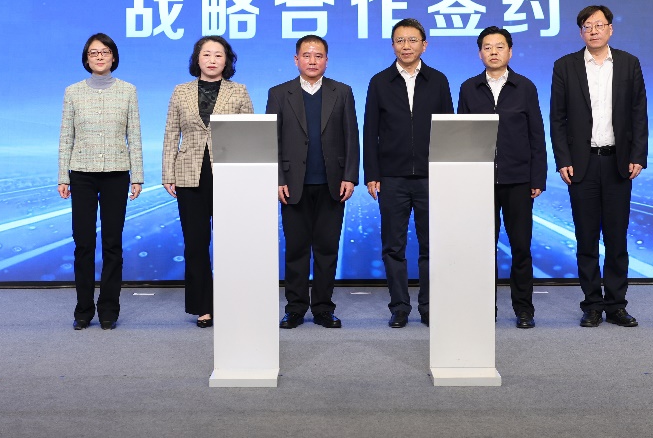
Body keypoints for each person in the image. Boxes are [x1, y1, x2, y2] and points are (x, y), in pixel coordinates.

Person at [550, 5, 648, 329]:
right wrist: (563, 160)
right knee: (586, 238)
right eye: (587, 26)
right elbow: (557, 119)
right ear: (581, 32)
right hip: (583, 165)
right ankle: (592, 304)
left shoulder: (629, 64)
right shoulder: (565, 66)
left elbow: (639, 113)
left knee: (617, 239)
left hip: (619, 163)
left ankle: (617, 305)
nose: (593, 31)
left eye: (599, 25)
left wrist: (638, 155)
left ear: (610, 29)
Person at [363, 17, 454, 328]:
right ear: (393, 46)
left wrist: (446, 171)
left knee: (432, 246)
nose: (406, 46)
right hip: (392, 177)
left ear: (424, 45)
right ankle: (399, 307)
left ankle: (429, 306)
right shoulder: (379, 82)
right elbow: (370, 131)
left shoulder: (438, 81)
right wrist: (372, 173)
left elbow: (448, 129)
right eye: (400, 40)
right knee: (394, 247)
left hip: (432, 177)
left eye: (412, 40)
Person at [266, 35, 360, 330]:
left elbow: (351, 137)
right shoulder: (279, 93)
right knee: (296, 249)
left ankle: (323, 308)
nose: (312, 61)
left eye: (318, 56)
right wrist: (277, 178)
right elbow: (272, 140)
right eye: (306, 55)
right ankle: (294, 309)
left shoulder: (342, 92)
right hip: (293, 185)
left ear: (326, 61)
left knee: (327, 249)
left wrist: (350, 176)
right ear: (296, 60)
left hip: (333, 184)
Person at [457, 26, 547, 330]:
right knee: (483, 249)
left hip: (519, 179)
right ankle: (485, 308)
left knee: (521, 247)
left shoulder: (525, 87)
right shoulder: (469, 88)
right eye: (487, 47)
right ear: (479, 53)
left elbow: (536, 134)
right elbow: (461, 137)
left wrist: (538, 177)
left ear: (510, 51)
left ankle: (524, 309)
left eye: (499, 46)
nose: (493, 52)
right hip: (480, 181)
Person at [161, 35, 254, 328]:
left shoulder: (239, 91)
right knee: (196, 244)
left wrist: (248, 177)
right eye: (206, 54)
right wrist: (168, 173)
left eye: (218, 55)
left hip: (229, 176)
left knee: (230, 244)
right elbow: (171, 134)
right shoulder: (181, 91)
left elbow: (250, 136)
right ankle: (203, 306)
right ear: (197, 59)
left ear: (227, 61)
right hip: (189, 175)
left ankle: (232, 303)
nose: (212, 60)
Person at [57, 33, 143, 330]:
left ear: (114, 57)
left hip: (117, 173)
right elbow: (66, 136)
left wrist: (137, 176)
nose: (99, 57)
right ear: (86, 58)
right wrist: (62, 176)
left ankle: (108, 309)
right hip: (81, 173)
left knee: (112, 244)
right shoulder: (73, 92)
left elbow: (134, 136)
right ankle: (83, 310)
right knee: (83, 243)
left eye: (105, 52)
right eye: (94, 53)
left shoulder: (128, 91)